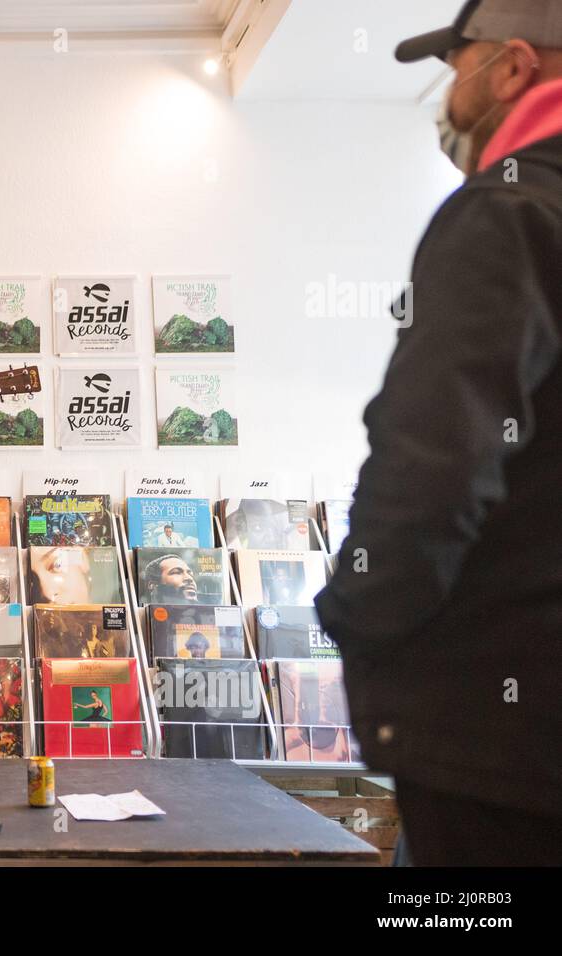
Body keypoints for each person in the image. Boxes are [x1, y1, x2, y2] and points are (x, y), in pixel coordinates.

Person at [315, 0, 562, 864]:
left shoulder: (507, 211)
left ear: (514, 69)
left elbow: (433, 462)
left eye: (456, 70)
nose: (447, 99)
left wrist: (352, 620)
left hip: (501, 748)